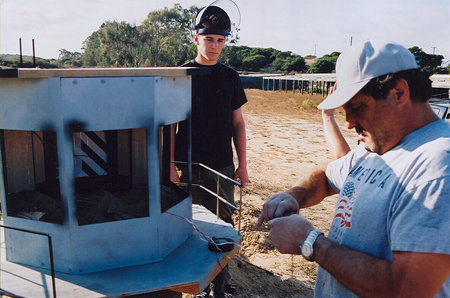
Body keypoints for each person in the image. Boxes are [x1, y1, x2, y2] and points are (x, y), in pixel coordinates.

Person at [257, 40, 449, 297]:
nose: (348, 123)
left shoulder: (437, 167)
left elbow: (409, 288)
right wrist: (295, 195)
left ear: (399, 93)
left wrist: (312, 243)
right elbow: (327, 175)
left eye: (357, 107)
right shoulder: (376, 147)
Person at [174, 2, 248, 297]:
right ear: (196, 39)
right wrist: (169, 165)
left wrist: (242, 164)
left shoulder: (230, 77)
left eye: (220, 40)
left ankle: (220, 284)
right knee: (187, 226)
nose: (215, 46)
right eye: (209, 39)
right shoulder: (179, 75)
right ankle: (196, 284)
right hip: (186, 165)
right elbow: (167, 127)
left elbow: (238, 123)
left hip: (221, 166)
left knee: (223, 226)